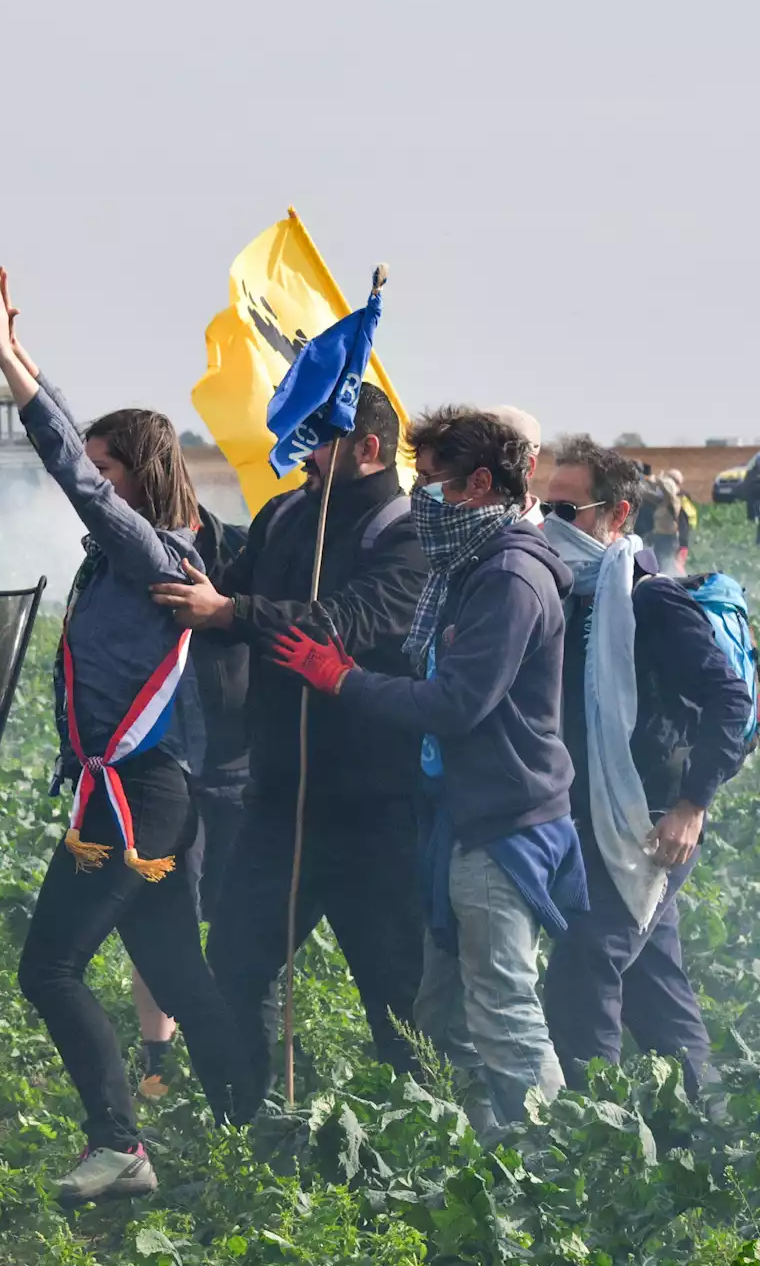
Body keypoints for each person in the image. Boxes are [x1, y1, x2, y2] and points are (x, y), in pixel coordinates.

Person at [0, 268, 250, 1205]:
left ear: (135, 478)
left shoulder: (149, 550)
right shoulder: (136, 549)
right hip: (146, 797)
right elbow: (81, 453)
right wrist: (28, 362)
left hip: (135, 801)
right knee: (179, 972)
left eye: (107, 468)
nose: (93, 480)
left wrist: (12, 375)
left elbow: (73, 475)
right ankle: (251, 1133)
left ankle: (121, 1147)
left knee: (48, 968)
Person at [268, 409, 583, 1135]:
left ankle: (561, 1162)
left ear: (479, 484)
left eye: (433, 479)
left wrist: (344, 681)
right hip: (458, 816)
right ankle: (488, 1145)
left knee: (503, 1006)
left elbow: (456, 703)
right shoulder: (465, 567)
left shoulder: (510, 576)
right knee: (440, 1011)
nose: (419, 495)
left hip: (504, 819)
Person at [151, 385, 428, 1105]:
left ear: (368, 449)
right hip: (278, 800)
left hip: (374, 810)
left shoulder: (408, 535)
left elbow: (348, 623)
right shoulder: (284, 513)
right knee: (236, 965)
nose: (304, 452)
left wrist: (232, 612)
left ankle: (420, 1149)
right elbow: (223, 592)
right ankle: (245, 1123)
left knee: (395, 994)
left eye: (321, 437)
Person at [540, 437, 751, 1095]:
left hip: (652, 824)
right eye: (547, 507)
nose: (553, 524)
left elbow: (730, 698)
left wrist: (694, 805)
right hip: (593, 821)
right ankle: (706, 1132)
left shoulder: (650, 602)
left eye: (570, 511)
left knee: (586, 969)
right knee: (654, 985)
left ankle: (595, 1140)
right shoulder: (570, 598)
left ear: (619, 514)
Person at [133, 504, 249, 1097]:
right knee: (163, 921)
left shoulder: (239, 550)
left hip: (233, 768)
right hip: (165, 770)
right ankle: (159, 1063)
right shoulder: (124, 558)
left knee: (238, 926)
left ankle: (238, 1057)